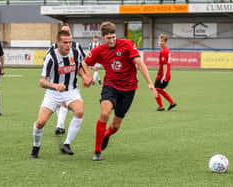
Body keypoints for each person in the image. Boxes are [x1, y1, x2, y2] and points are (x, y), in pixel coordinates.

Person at [83, 21, 158, 161]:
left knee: (115, 126)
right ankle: (97, 151)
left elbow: (139, 64)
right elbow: (84, 63)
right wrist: (87, 76)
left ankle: (106, 135)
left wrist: (150, 83)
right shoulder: (98, 50)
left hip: (129, 89)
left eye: (113, 37)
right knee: (104, 113)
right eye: (108, 38)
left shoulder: (127, 44)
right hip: (110, 86)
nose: (111, 40)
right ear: (103, 37)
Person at [30, 30, 92, 159]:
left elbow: (83, 64)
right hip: (53, 93)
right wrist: (55, 85)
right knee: (41, 122)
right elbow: (42, 82)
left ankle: (66, 144)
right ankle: (35, 147)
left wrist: (86, 76)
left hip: (71, 91)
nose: (68, 45)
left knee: (79, 111)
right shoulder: (51, 57)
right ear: (58, 43)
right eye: (65, 42)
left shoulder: (75, 52)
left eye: (70, 42)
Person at [50, 23, 87, 136]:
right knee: (62, 104)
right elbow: (46, 58)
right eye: (64, 31)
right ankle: (60, 125)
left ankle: (60, 126)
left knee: (65, 105)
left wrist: (85, 76)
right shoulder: (54, 46)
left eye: (68, 31)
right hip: (56, 81)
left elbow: (83, 62)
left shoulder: (76, 46)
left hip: (71, 82)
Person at [154, 34, 177, 111]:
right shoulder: (166, 50)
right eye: (159, 40)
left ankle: (161, 106)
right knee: (158, 89)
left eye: (162, 41)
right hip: (163, 74)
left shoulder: (164, 51)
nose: (160, 42)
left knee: (156, 89)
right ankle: (171, 103)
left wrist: (163, 75)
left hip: (163, 75)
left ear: (165, 42)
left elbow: (164, 64)